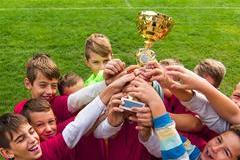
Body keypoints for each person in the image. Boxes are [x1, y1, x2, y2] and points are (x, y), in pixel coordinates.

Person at [0, 73, 135, 160]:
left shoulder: (45, 148)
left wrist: (111, 88)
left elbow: (79, 124)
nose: (32, 140)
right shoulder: (43, 153)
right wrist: (111, 88)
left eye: (31, 132)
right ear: (7, 153)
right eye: (20, 139)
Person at [127, 77, 240, 160]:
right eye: (219, 140)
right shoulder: (195, 153)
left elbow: (176, 154)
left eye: (226, 152)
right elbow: (162, 147)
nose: (215, 148)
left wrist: (155, 104)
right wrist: (146, 133)